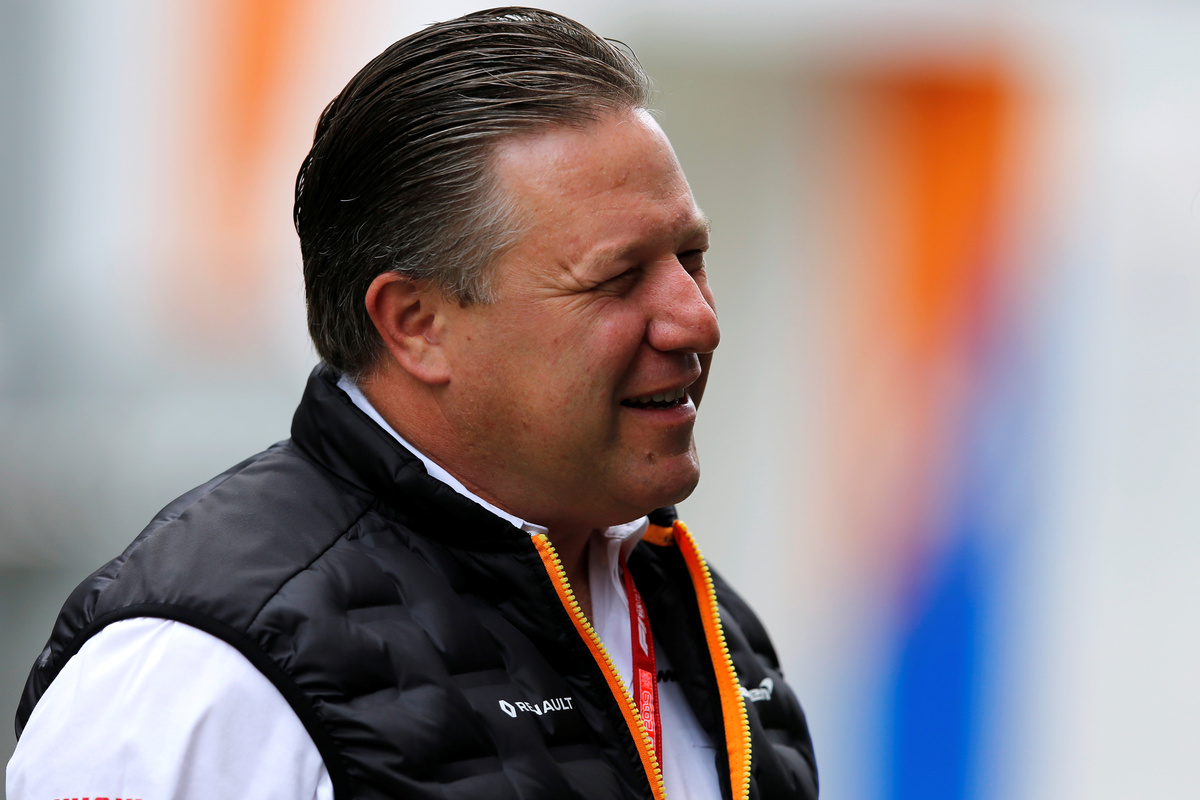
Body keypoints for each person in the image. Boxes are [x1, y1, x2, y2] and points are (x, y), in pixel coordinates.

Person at [7, 8, 817, 800]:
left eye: (691, 257)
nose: (697, 320)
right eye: (617, 278)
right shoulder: (201, 676)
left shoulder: (711, 630)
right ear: (416, 325)